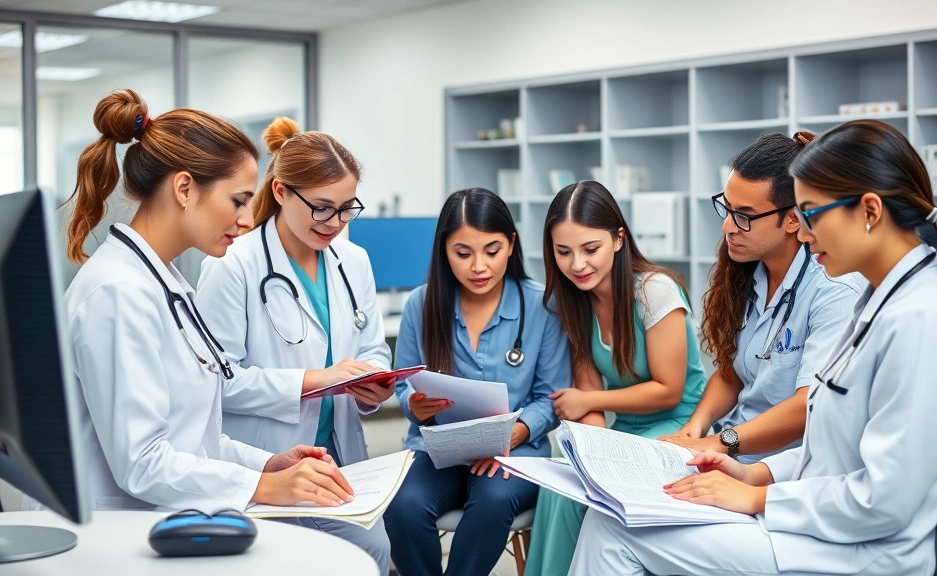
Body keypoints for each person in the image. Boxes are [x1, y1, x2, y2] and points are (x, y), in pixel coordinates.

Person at [568, 119, 937, 576]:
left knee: (615, 529)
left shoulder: (922, 320)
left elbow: (884, 501)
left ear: (870, 211)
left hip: (857, 550)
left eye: (812, 213)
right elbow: (833, 445)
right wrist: (755, 474)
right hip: (817, 520)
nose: (805, 231)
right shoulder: (882, 301)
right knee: (616, 513)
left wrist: (759, 496)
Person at [57, 89, 354, 516]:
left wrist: (268, 464)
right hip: (107, 534)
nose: (248, 219)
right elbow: (142, 463)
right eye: (238, 200)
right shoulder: (118, 293)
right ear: (183, 188)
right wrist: (264, 486)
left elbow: (193, 438)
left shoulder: (166, 285)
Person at [195, 117, 392, 574]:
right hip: (265, 456)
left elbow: (373, 348)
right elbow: (214, 382)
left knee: (372, 551)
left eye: (347, 209)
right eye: (322, 207)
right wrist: (312, 380)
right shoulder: (233, 265)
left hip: (339, 458)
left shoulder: (354, 261)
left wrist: (373, 383)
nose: (335, 224)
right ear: (281, 192)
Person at [383, 188, 570, 576]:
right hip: (436, 450)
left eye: (492, 250)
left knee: (493, 501)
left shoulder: (542, 307)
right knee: (402, 506)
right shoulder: (422, 304)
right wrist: (414, 404)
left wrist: (514, 434)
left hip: (514, 453)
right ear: (444, 250)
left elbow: (549, 398)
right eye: (463, 253)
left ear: (511, 245)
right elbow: (404, 384)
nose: (479, 266)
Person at [524, 180, 707, 576]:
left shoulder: (655, 291)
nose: (577, 264)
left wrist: (590, 404)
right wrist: (590, 448)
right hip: (624, 430)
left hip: (679, 427)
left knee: (589, 497)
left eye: (590, 249)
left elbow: (668, 390)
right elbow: (585, 390)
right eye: (563, 252)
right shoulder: (573, 300)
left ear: (619, 239)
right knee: (565, 478)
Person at [660, 132, 864, 463]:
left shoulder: (835, 290)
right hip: (728, 450)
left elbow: (808, 405)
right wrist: (693, 429)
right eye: (726, 209)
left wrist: (718, 443)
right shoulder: (749, 273)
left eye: (744, 216)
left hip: (780, 469)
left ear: (794, 219)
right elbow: (732, 373)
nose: (727, 227)